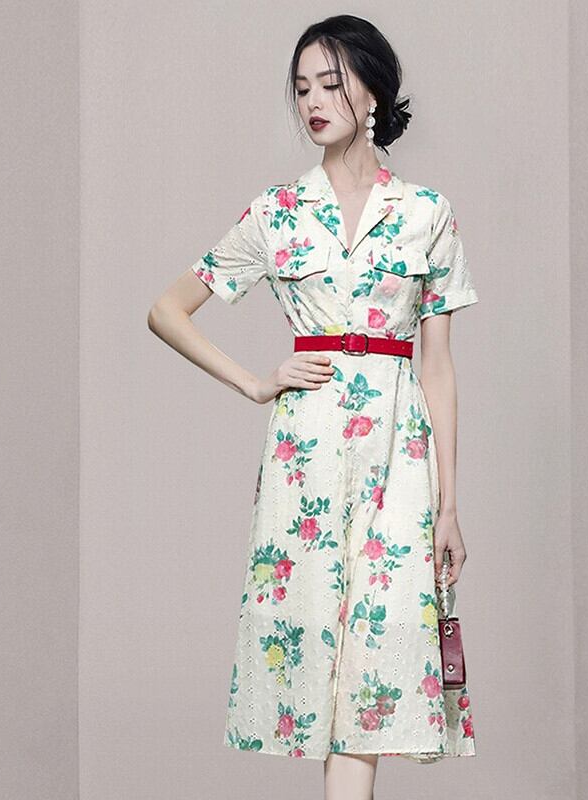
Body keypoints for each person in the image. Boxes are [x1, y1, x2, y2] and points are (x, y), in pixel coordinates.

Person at [148, 14, 478, 800]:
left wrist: (448, 505)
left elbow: (438, 366)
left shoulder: (426, 212)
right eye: (302, 88)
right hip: (309, 457)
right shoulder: (278, 211)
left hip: (399, 457)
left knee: (374, 670)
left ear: (372, 91)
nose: (313, 102)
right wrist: (255, 382)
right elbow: (167, 309)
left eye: (331, 83)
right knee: (319, 658)